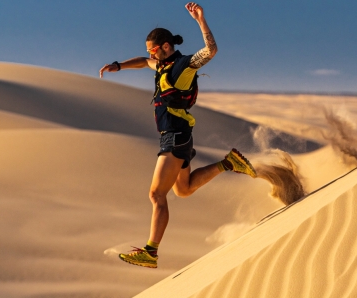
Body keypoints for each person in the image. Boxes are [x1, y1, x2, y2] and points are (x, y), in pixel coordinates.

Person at [99, 2, 257, 269]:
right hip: (178, 135)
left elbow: (211, 50)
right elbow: (142, 62)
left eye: (153, 49)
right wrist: (119, 66)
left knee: (156, 195)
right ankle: (229, 163)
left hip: (175, 136)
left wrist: (200, 20)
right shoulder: (161, 64)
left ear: (166, 46)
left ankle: (150, 251)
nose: (150, 54)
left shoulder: (183, 66)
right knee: (183, 190)